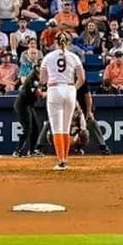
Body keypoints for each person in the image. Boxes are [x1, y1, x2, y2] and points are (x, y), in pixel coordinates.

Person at [39, 30, 84, 170]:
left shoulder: (48, 57)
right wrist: (73, 89)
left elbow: (42, 79)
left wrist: (46, 85)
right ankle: (65, 159)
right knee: (66, 127)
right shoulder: (74, 57)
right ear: (68, 41)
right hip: (70, 89)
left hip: (54, 89)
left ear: (55, 41)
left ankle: (61, 160)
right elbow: (82, 79)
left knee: (56, 127)